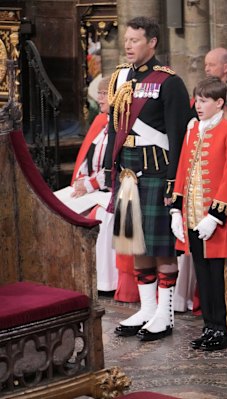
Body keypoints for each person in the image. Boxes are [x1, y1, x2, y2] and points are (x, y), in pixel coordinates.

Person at [103, 16, 191, 341]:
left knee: (161, 246)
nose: (128, 45)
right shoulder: (119, 79)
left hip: (156, 171)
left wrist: (173, 182)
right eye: (126, 40)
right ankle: (146, 308)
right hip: (127, 172)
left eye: (135, 40)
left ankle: (164, 315)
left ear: (152, 42)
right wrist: (109, 168)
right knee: (135, 242)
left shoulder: (169, 82)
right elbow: (114, 127)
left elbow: (178, 135)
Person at [172, 76, 227, 351]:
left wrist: (215, 216)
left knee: (219, 276)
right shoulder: (193, 130)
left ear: (219, 103)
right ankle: (210, 327)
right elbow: (182, 170)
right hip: (192, 216)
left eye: (204, 101)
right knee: (203, 275)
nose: (198, 106)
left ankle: (224, 330)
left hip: (215, 221)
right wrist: (176, 210)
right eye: (197, 100)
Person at [71, 75, 118, 293]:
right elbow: (89, 158)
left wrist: (88, 185)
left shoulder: (119, 128)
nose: (99, 99)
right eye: (98, 93)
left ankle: (103, 281)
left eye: (103, 93)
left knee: (101, 214)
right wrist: (81, 178)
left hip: (112, 191)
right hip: (94, 188)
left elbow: (113, 167)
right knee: (60, 205)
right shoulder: (102, 125)